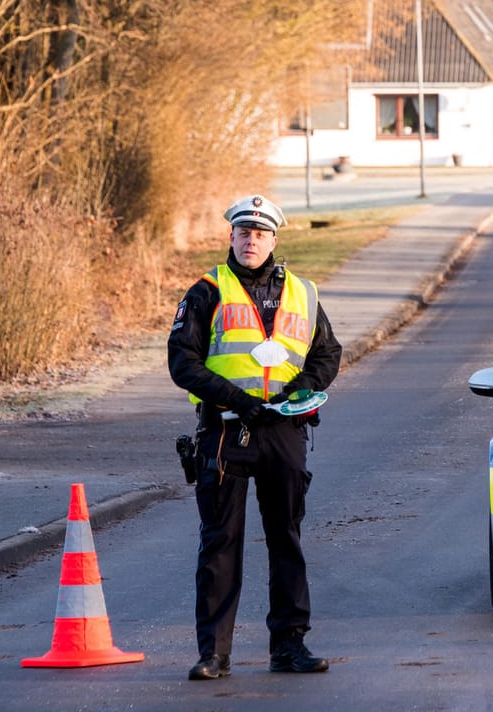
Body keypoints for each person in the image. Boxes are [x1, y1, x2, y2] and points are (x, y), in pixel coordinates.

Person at [168, 194, 343, 680]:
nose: (251, 241)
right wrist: (236, 398)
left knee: (286, 538)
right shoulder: (207, 291)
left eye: (260, 234)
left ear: (273, 240)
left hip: (285, 431)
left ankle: (289, 647)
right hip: (226, 431)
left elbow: (327, 354)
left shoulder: (303, 293)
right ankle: (214, 655)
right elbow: (182, 362)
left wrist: (303, 388)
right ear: (231, 237)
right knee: (220, 542)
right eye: (244, 233)